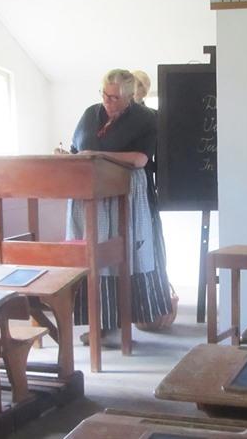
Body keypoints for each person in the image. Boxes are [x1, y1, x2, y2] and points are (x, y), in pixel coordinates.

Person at [63, 69, 171, 344]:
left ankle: (129, 321)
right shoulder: (91, 113)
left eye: (115, 98)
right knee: (95, 259)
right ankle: (102, 325)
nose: (108, 102)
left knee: (128, 256)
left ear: (130, 97)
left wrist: (99, 154)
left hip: (128, 197)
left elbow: (140, 159)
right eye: (105, 95)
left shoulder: (146, 118)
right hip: (90, 198)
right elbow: (79, 150)